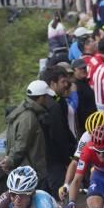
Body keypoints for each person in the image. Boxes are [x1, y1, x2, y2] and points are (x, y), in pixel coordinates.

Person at [0, 80, 51, 186]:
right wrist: (11, 160)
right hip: (30, 172)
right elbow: (21, 144)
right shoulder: (29, 117)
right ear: (41, 98)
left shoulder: (25, 111)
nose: (47, 99)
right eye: (46, 96)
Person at [40, 66, 78, 194]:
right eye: (63, 82)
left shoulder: (56, 101)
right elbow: (59, 135)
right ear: (52, 83)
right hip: (54, 161)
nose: (66, 85)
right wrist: (67, 159)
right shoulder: (53, 105)